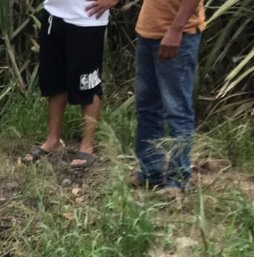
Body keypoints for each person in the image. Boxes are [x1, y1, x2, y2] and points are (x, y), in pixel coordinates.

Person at [22, 0, 117, 170]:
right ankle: (53, 140)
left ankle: (87, 146)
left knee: (88, 81)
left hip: (87, 18)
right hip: (54, 14)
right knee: (55, 81)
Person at [133, 0, 205, 190]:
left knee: (177, 109)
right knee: (147, 108)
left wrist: (175, 30)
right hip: (149, 31)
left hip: (177, 36)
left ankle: (178, 180)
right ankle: (150, 173)